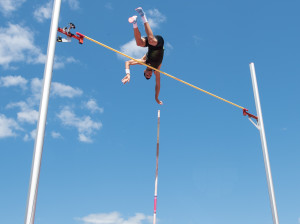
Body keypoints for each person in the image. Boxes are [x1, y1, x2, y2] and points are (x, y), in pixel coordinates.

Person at [122, 7, 164, 105]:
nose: (149, 74)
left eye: (147, 75)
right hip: (158, 43)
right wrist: (156, 98)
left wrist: (128, 74)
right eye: (150, 76)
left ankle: (135, 22)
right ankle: (143, 16)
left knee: (139, 43)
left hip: (151, 43)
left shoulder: (143, 62)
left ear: (144, 71)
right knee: (151, 40)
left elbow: (127, 62)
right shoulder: (156, 70)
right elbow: (158, 84)